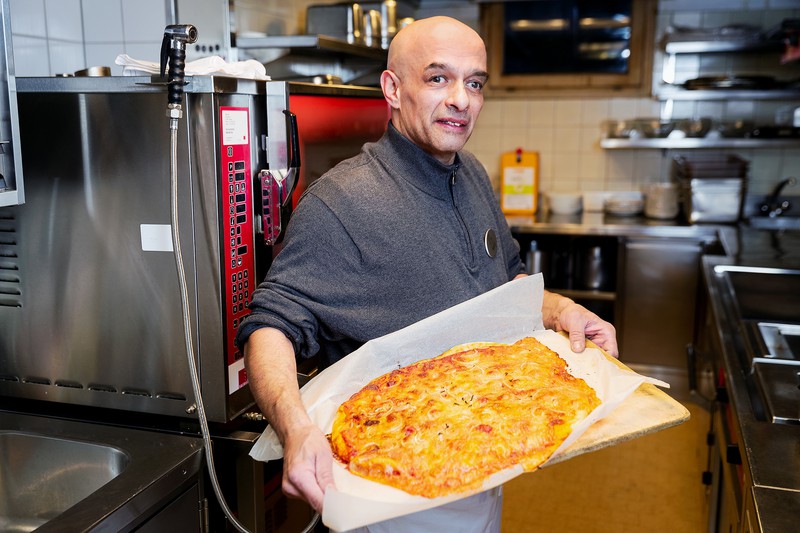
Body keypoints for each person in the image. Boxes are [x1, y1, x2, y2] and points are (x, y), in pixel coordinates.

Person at [236, 15, 618, 532]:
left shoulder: (473, 174)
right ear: (392, 89)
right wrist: (296, 427)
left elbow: (505, 284)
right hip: (390, 476)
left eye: (475, 82)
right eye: (438, 78)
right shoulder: (342, 202)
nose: (461, 99)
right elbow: (269, 325)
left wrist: (563, 311)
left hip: (487, 447)